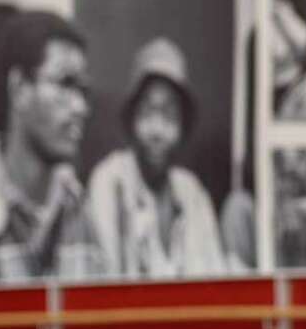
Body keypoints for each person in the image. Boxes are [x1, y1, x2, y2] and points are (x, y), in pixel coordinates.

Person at [0, 9, 106, 282]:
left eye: (83, 91)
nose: (80, 108)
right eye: (65, 84)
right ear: (19, 89)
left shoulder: (83, 216)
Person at [86, 38, 226, 277]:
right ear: (131, 119)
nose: (157, 131)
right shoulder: (109, 182)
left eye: (170, 115)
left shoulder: (192, 192)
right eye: (147, 112)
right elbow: (102, 287)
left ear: (183, 127)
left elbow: (215, 280)